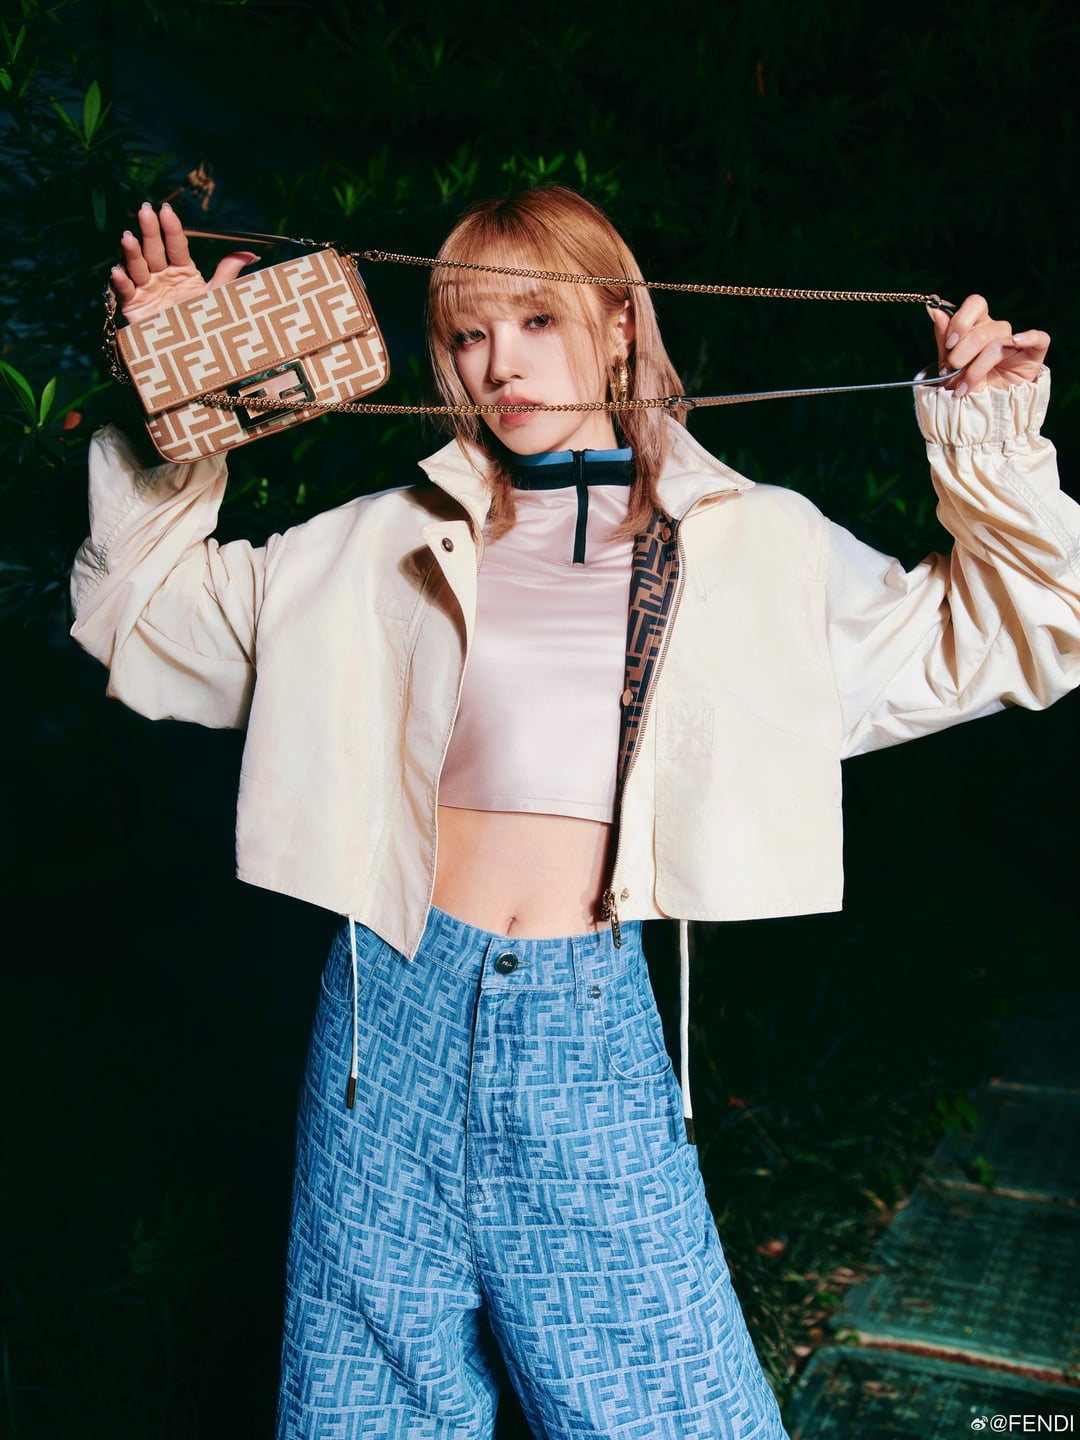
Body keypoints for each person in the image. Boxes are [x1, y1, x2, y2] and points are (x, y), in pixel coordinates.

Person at [72, 189, 1079, 1440]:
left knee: (671, 1415)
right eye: (467, 335)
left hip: (579, 1028)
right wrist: (179, 396)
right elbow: (140, 621)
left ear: (617, 325)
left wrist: (990, 437)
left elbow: (1024, 632)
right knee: (358, 1415)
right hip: (381, 1022)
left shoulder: (749, 546)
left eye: (536, 320)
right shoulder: (380, 541)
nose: (499, 365)